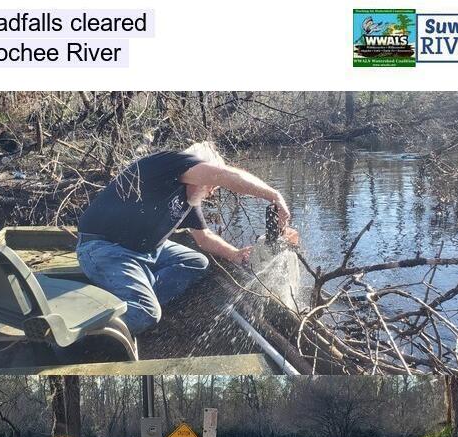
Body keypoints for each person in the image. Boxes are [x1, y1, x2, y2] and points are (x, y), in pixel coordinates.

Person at [76, 141, 301, 334]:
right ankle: (80, 329)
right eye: (211, 185)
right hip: (104, 249)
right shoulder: (170, 163)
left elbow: (204, 238)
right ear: (198, 169)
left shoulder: (188, 197)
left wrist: (234, 254)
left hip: (144, 251)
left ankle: (132, 295)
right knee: (146, 313)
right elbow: (223, 175)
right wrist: (274, 195)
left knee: (196, 262)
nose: (213, 192)